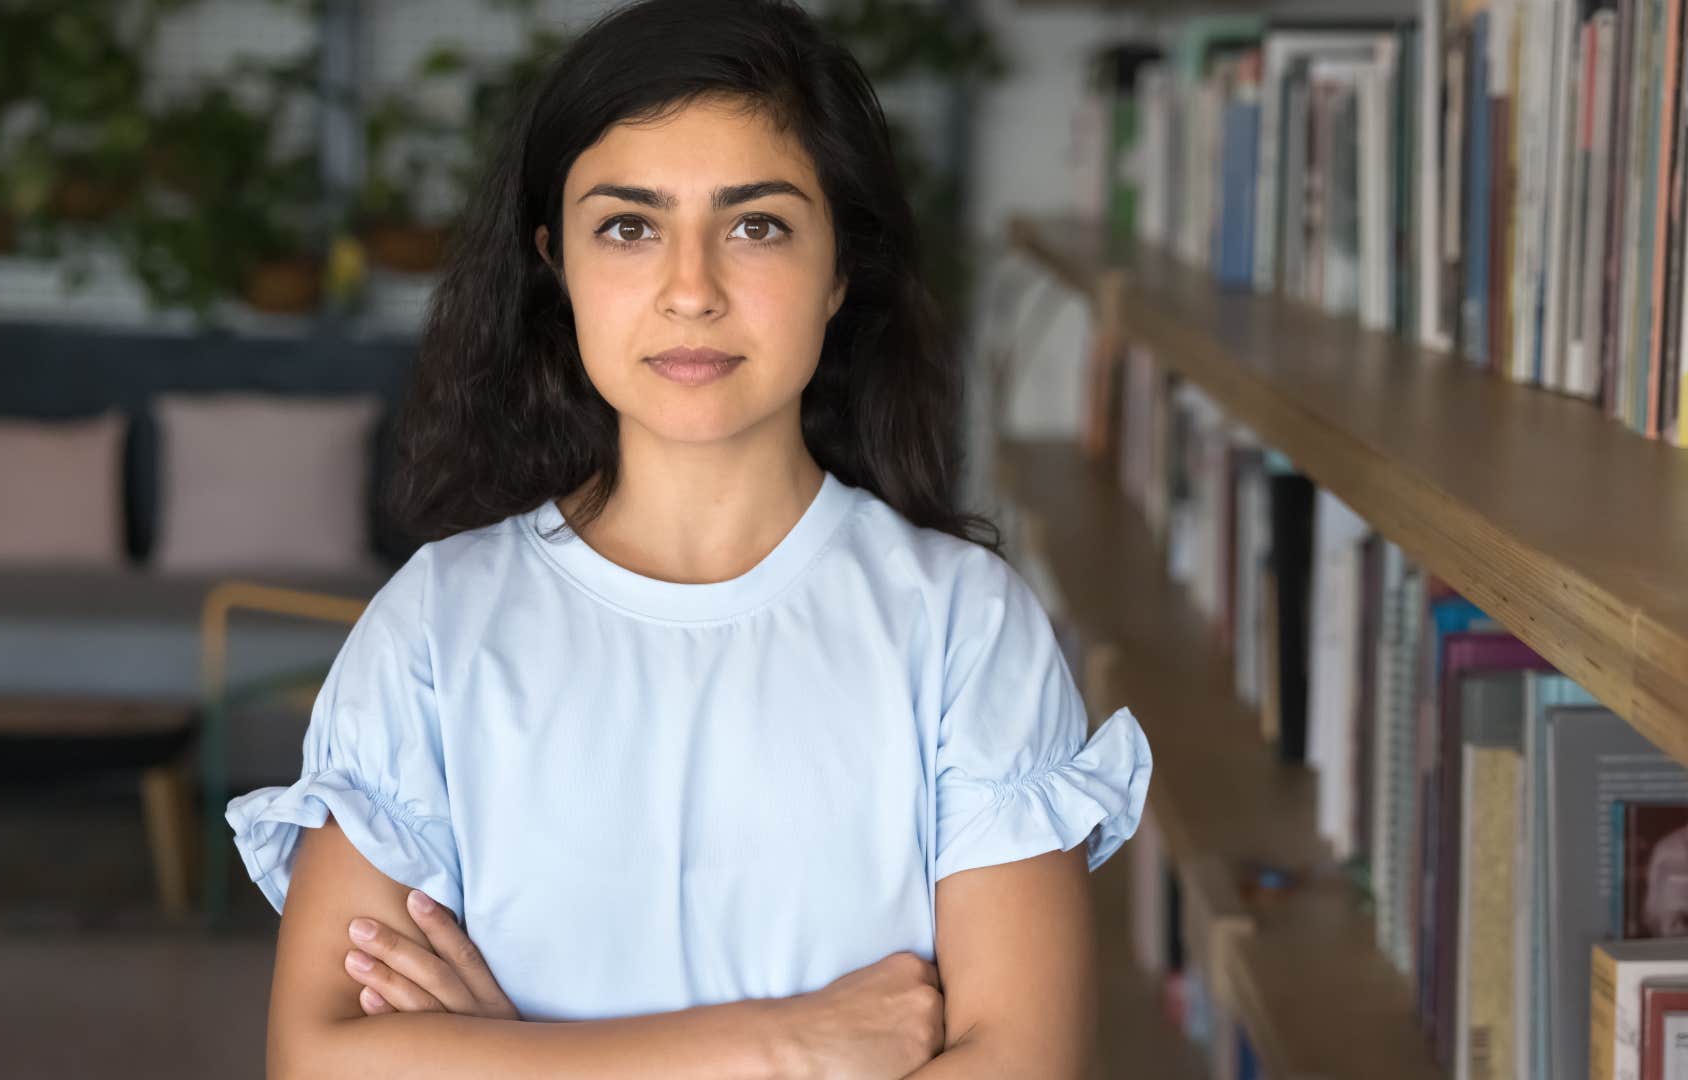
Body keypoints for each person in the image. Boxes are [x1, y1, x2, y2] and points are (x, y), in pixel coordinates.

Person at [225, 0, 1152, 1075]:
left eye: (756, 224)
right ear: (555, 263)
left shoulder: (963, 628)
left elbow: (1019, 1065)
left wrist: (510, 1060)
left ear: (839, 267)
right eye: (629, 226)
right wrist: (784, 1046)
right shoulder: (437, 626)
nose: (691, 290)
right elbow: (319, 1059)